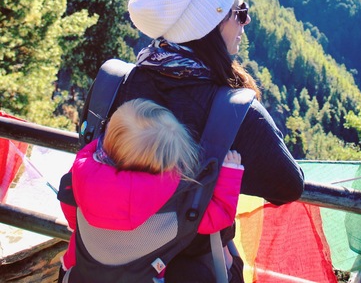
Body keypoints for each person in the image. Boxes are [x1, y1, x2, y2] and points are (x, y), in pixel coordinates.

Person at [112, 0, 305, 282]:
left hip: (119, 263)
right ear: (210, 23)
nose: (246, 23)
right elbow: (289, 184)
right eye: (241, 13)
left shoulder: (125, 83)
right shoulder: (234, 109)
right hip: (194, 268)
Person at [59, 98, 244, 283]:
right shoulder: (176, 204)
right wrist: (230, 173)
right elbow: (218, 217)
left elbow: (69, 207)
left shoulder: (81, 175)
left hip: (79, 276)